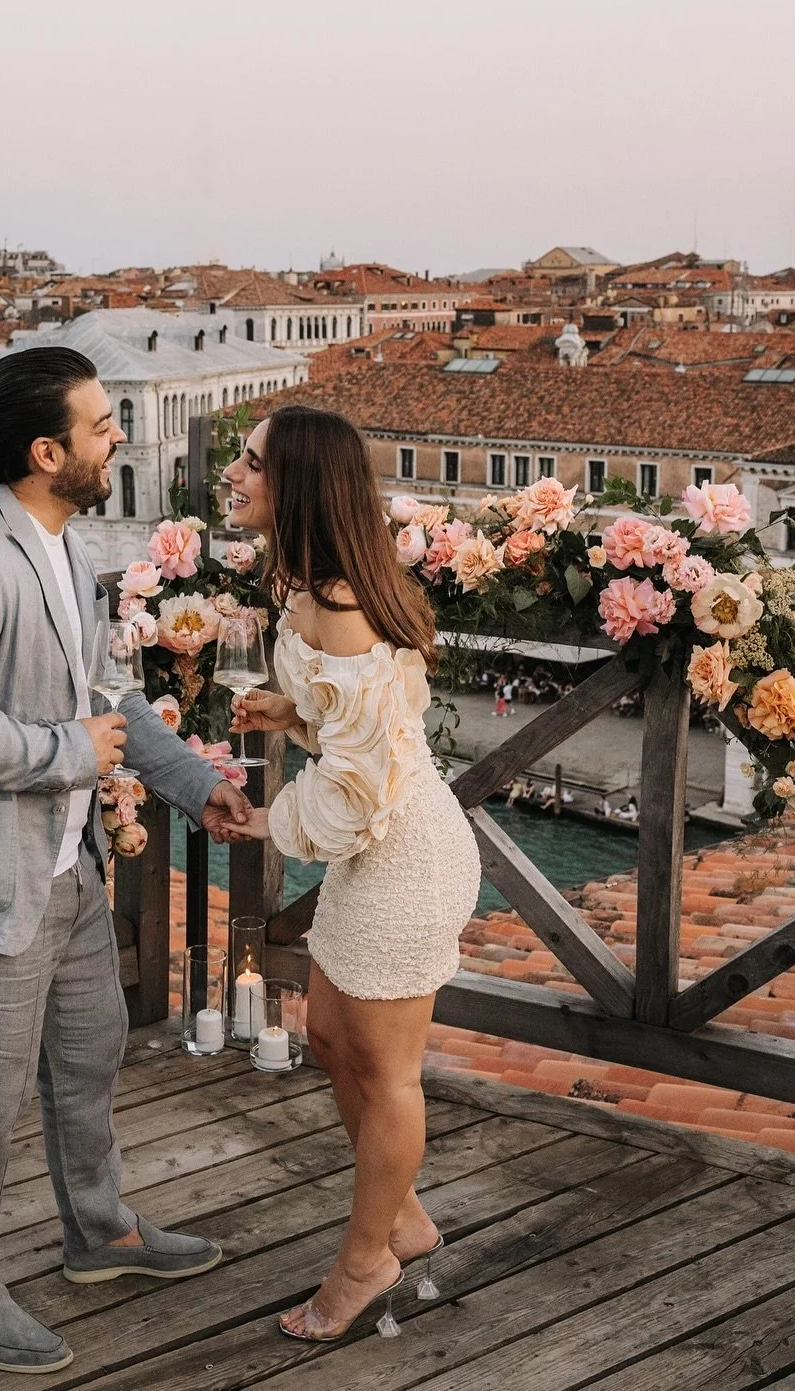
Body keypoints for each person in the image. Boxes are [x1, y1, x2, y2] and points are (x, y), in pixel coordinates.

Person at [0, 346, 252, 1375]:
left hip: (64, 869)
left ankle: (98, 1230)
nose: (117, 433)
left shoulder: (59, 541)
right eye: (100, 423)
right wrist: (62, 755)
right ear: (48, 452)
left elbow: (102, 698)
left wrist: (192, 781)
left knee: (90, 1053)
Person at [222, 404, 481, 1344]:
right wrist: (288, 711)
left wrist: (267, 819)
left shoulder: (339, 605)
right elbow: (363, 717)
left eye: (253, 462)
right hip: (378, 851)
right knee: (330, 1036)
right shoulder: (311, 588)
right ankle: (400, 1217)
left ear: (296, 484)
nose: (234, 473)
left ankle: (367, 1257)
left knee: (387, 1070)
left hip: (404, 854)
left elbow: (362, 783)